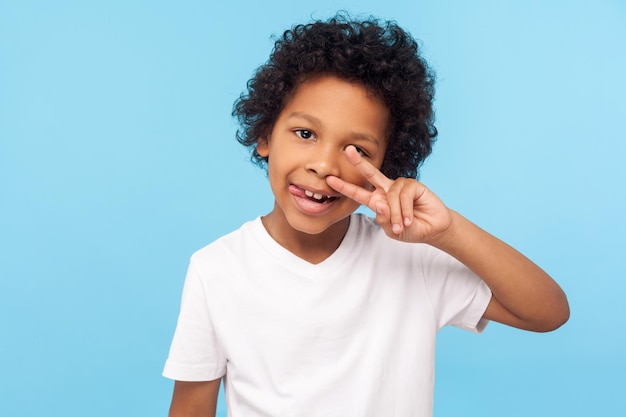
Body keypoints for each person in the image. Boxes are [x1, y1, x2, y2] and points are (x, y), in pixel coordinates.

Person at [163, 14, 569, 417]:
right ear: (265, 134)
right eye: (305, 134)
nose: (324, 165)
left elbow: (548, 312)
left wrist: (448, 232)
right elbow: (191, 407)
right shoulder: (215, 269)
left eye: (356, 150)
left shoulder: (411, 256)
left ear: (385, 166)